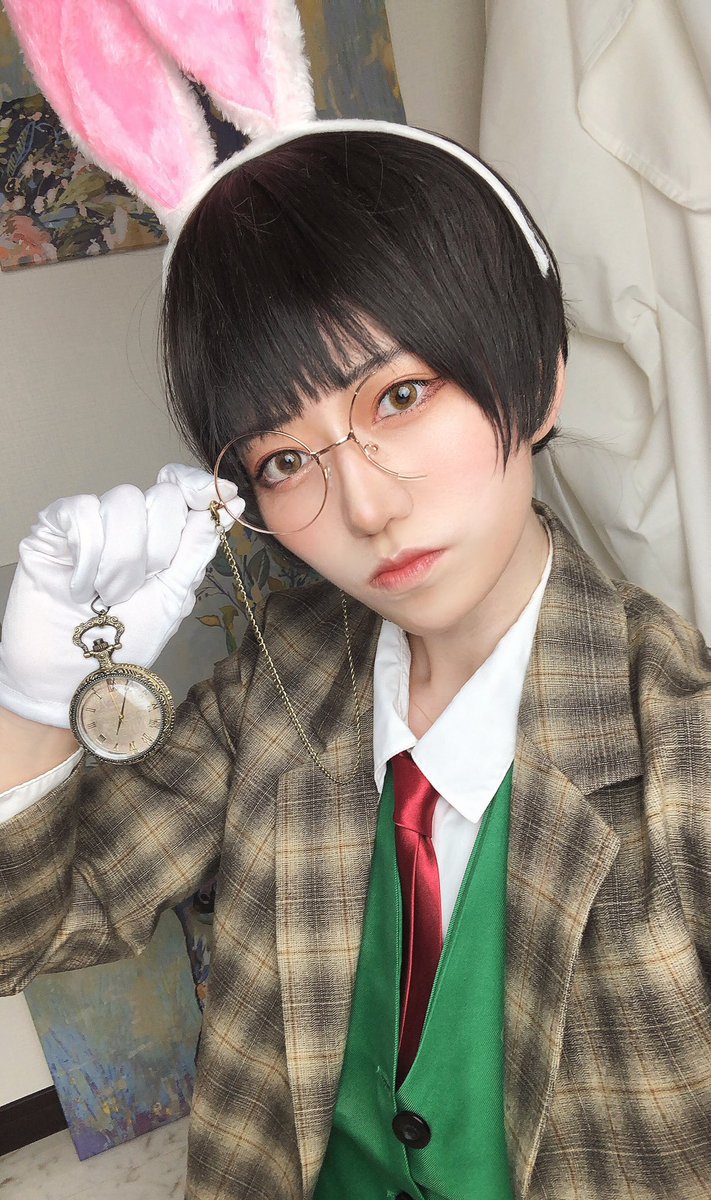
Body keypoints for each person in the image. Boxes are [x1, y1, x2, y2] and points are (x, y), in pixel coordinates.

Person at [1, 127, 710, 1200]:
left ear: (538, 373)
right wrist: (31, 701)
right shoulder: (273, 687)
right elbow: (29, 929)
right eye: (286, 458)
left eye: (400, 397)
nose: (367, 507)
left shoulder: (682, 750)